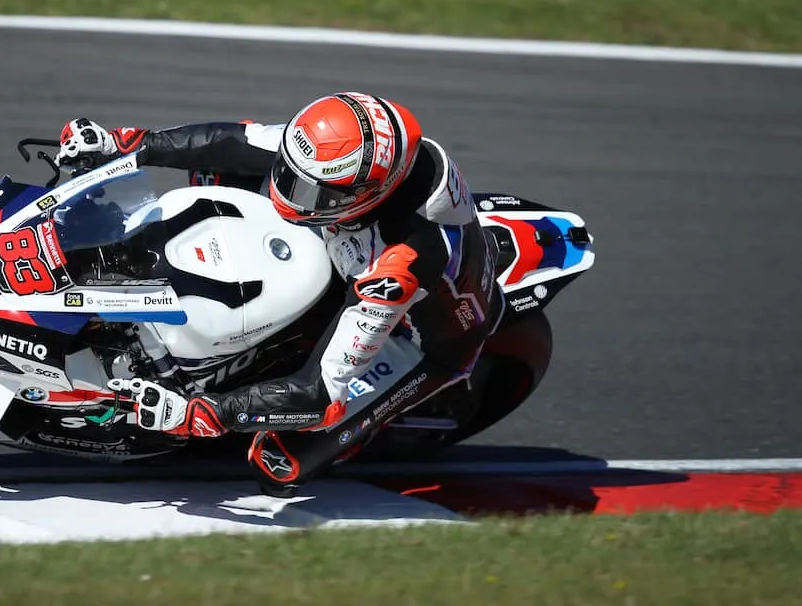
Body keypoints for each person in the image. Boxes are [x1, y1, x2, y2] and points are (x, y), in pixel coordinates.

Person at [55, 93, 505, 495]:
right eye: (290, 172)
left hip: (420, 340)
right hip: (344, 251)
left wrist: (205, 412)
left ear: (366, 194)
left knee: (281, 461)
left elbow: (321, 393)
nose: (285, 188)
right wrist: (126, 143)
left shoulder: (398, 263)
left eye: (306, 187)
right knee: (216, 171)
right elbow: (237, 141)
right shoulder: (343, 149)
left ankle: (345, 436)